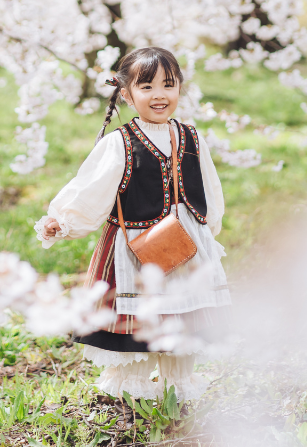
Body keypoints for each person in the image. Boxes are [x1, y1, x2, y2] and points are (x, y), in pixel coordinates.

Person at [35, 46, 230, 401]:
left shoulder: (191, 137)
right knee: (137, 319)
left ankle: (177, 389)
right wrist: (63, 220)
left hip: (185, 244)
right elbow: (92, 188)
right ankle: (133, 393)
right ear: (126, 94)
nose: (159, 95)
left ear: (179, 89)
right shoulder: (120, 143)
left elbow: (209, 187)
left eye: (168, 85)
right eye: (147, 87)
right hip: (134, 249)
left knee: (181, 316)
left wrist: (207, 229)